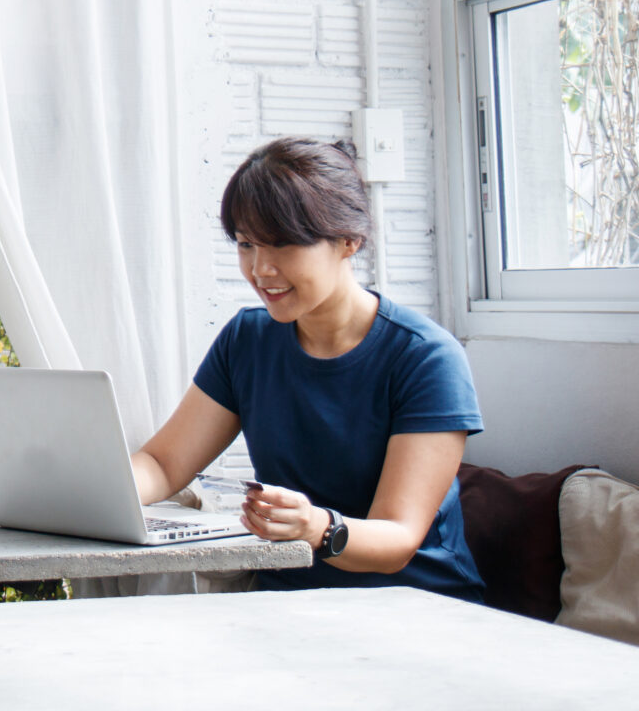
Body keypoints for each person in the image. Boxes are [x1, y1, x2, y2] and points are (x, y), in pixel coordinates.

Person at [131, 137, 486, 601]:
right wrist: (90, 494)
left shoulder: (426, 359)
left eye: (283, 245)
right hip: (290, 604)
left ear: (348, 240)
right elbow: (163, 463)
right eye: (246, 245)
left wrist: (317, 526)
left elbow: (397, 539)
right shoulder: (248, 340)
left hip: (415, 606)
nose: (260, 269)